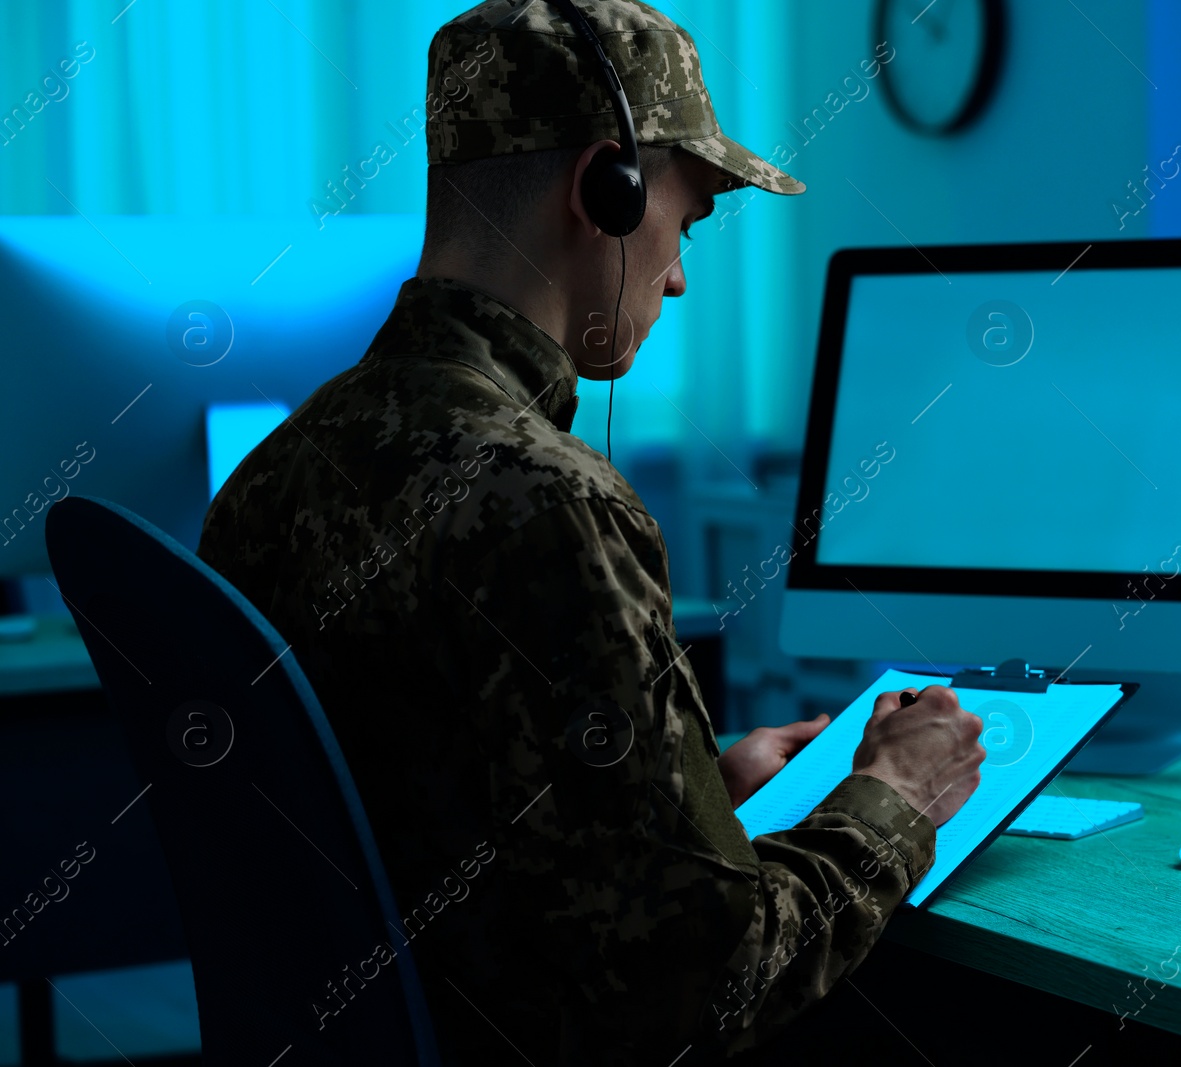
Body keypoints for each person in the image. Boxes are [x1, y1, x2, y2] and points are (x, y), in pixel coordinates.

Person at [198, 1, 985, 1063]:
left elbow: (420, 807)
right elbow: (709, 982)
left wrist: (695, 782)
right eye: (686, 222)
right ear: (603, 191)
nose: (677, 275)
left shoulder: (273, 474)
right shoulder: (545, 500)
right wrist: (892, 795)